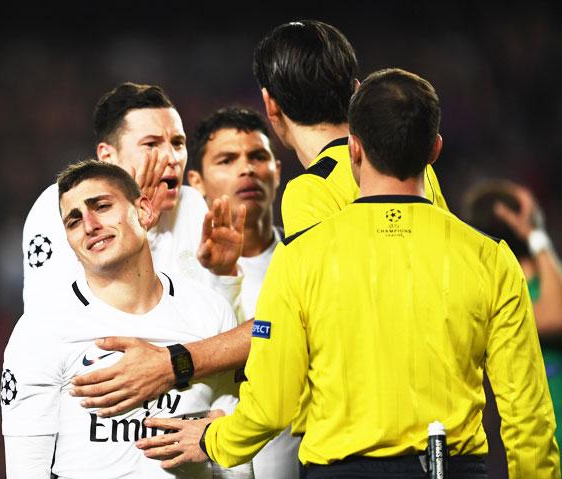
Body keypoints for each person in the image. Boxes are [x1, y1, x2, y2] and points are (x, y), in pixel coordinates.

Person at [136, 68, 560, 478]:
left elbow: (272, 403)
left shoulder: (301, 257)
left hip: (339, 471)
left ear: (353, 148)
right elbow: (528, 414)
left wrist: (216, 441)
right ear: (434, 150)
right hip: (453, 467)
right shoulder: (490, 259)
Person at [70, 20, 448, 419]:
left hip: (364, 432)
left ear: (271, 106)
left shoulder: (311, 191)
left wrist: (177, 366)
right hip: (437, 415)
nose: (246, 171)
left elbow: (299, 323)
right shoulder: (416, 174)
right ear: (355, 90)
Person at [2, 160, 250, 478]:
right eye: (74, 221)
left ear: (144, 211)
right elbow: (26, 472)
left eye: (102, 206)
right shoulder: (41, 331)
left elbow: (234, 455)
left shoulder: (209, 311)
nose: (89, 225)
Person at [22, 81, 246, 314]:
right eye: (151, 144)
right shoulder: (61, 206)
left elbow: (222, 336)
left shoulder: (192, 207)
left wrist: (225, 276)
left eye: (178, 143)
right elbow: (51, 321)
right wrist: (138, 228)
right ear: (108, 157)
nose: (172, 157)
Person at [187, 106, 300, 479]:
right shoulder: (178, 276)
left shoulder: (308, 260)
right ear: (197, 182)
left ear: (277, 171)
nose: (246, 168)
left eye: (258, 156)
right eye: (227, 159)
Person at [463, 179, 562, 464]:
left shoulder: (547, 274)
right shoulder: (497, 289)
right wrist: (537, 234)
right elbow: (555, 316)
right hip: (537, 439)